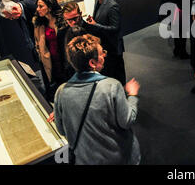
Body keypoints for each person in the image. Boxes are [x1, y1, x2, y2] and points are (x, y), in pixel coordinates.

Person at [54, 34, 141, 165]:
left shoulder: (60, 92)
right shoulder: (111, 86)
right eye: (101, 53)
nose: (104, 55)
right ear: (92, 63)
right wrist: (133, 96)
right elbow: (127, 120)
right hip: (118, 158)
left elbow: (61, 130)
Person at [86, 0, 126, 86]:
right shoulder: (97, 1)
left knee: (117, 74)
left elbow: (115, 28)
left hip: (113, 46)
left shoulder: (112, 6)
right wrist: (94, 21)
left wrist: (96, 24)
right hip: (104, 44)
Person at [32, 0, 67, 101]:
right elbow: (38, 42)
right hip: (50, 60)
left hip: (64, 58)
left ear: (50, 7)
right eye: (37, 6)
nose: (38, 9)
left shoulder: (63, 20)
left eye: (41, 6)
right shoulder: (39, 23)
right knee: (55, 87)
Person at [0, 0, 39, 70]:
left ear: (14, 8)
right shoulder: (18, 14)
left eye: (11, 16)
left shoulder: (33, 6)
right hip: (36, 46)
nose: (11, 19)